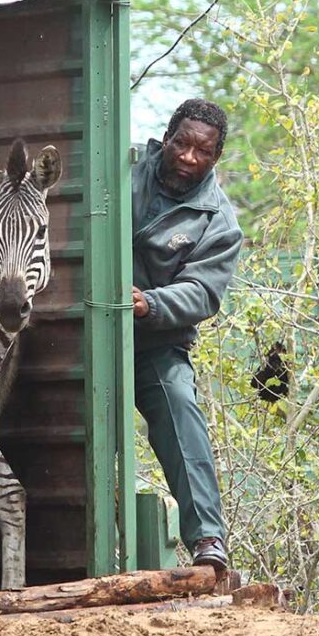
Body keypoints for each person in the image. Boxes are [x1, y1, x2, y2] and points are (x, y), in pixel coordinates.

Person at [131, 98, 243, 570]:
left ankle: (207, 541)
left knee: (180, 406)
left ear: (216, 157)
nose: (188, 158)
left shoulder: (220, 222)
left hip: (153, 341)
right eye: (181, 144)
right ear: (168, 136)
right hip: (81, 330)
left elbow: (202, 294)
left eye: (202, 151)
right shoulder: (125, 165)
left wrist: (151, 303)